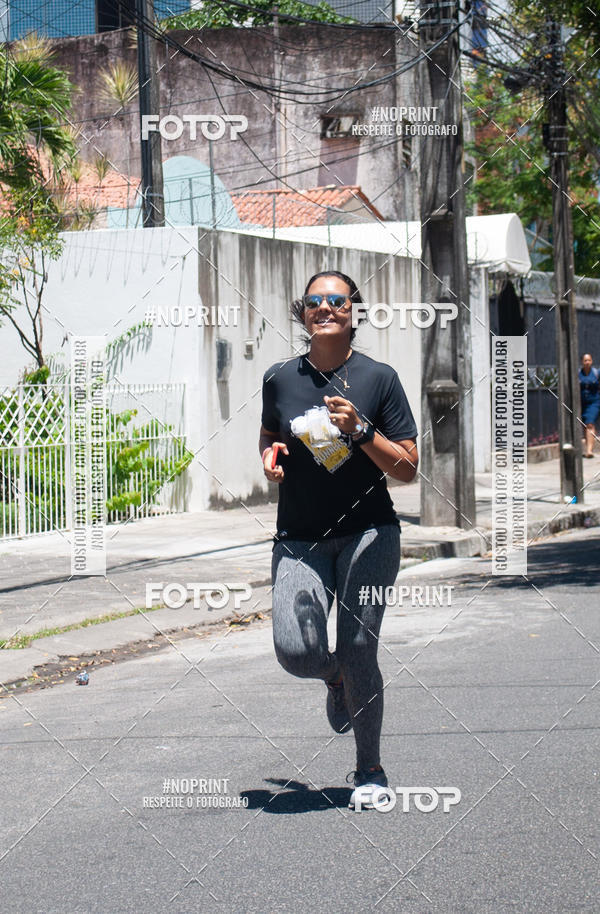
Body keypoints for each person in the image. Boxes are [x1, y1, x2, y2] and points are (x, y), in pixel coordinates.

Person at [259, 270, 418, 809]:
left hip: (369, 533)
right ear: (302, 312)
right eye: (314, 301)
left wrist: (361, 432)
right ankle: (334, 680)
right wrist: (269, 454)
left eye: (336, 300)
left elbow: (408, 468)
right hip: (299, 537)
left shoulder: (379, 379)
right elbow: (270, 430)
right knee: (296, 652)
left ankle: (369, 771)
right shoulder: (280, 377)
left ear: (354, 311)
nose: (324, 307)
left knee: (358, 646)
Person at [579, 353, 600, 458]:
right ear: (582, 362)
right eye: (585, 360)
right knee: (585, 425)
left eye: (589, 360)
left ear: (591, 361)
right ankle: (588, 447)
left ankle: (589, 450)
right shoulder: (578, 374)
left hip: (594, 402)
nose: (587, 362)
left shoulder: (596, 373)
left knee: (590, 424)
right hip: (581, 403)